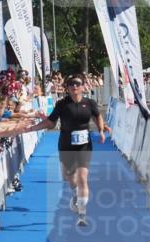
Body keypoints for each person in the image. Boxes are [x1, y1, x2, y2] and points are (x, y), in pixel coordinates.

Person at [25, 74, 108, 227]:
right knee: (70, 176)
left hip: (84, 144)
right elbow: (50, 123)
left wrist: (101, 130)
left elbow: (97, 117)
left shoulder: (90, 103)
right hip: (66, 143)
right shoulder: (62, 104)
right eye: (71, 84)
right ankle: (75, 193)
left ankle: (82, 214)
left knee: (83, 177)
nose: (74, 87)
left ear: (83, 86)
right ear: (67, 88)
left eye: (77, 84)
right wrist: (32, 128)